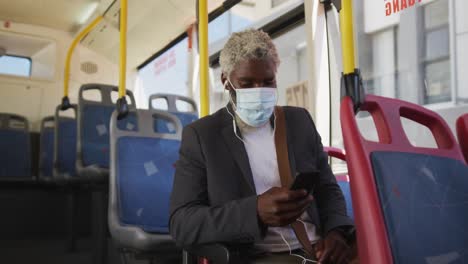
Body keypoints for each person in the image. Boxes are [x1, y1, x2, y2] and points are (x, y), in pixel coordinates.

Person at [170, 29, 356, 263]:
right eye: (247, 84)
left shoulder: (299, 122)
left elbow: (327, 189)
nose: (259, 90)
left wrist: (336, 232)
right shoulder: (203, 136)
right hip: (259, 255)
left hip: (319, 246)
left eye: (268, 82)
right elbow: (182, 223)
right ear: (226, 82)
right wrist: (254, 211)